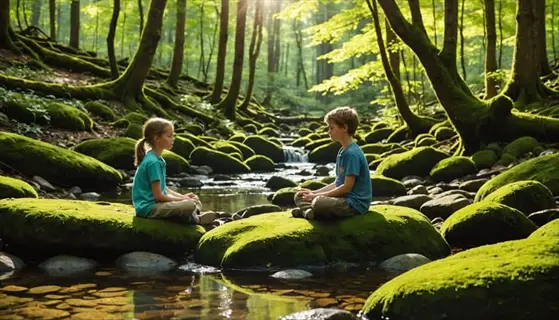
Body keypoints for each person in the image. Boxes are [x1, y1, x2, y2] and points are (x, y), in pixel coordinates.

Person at [292, 106, 372, 220]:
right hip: (341, 199)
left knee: (319, 202)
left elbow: (346, 188)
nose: (328, 131)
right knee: (299, 195)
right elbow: (338, 183)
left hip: (354, 204)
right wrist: (313, 192)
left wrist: (316, 196)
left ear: (344, 127)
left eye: (331, 128)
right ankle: (309, 211)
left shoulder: (352, 154)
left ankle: (308, 210)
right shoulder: (342, 151)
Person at [132, 117, 217, 225]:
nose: (173, 139)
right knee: (189, 205)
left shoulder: (157, 159)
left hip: (156, 204)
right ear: (157, 138)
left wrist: (183, 197)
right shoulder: (153, 162)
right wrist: (182, 201)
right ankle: (195, 219)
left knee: (194, 201)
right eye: (169, 136)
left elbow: (164, 189)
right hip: (148, 208)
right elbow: (158, 196)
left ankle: (190, 214)